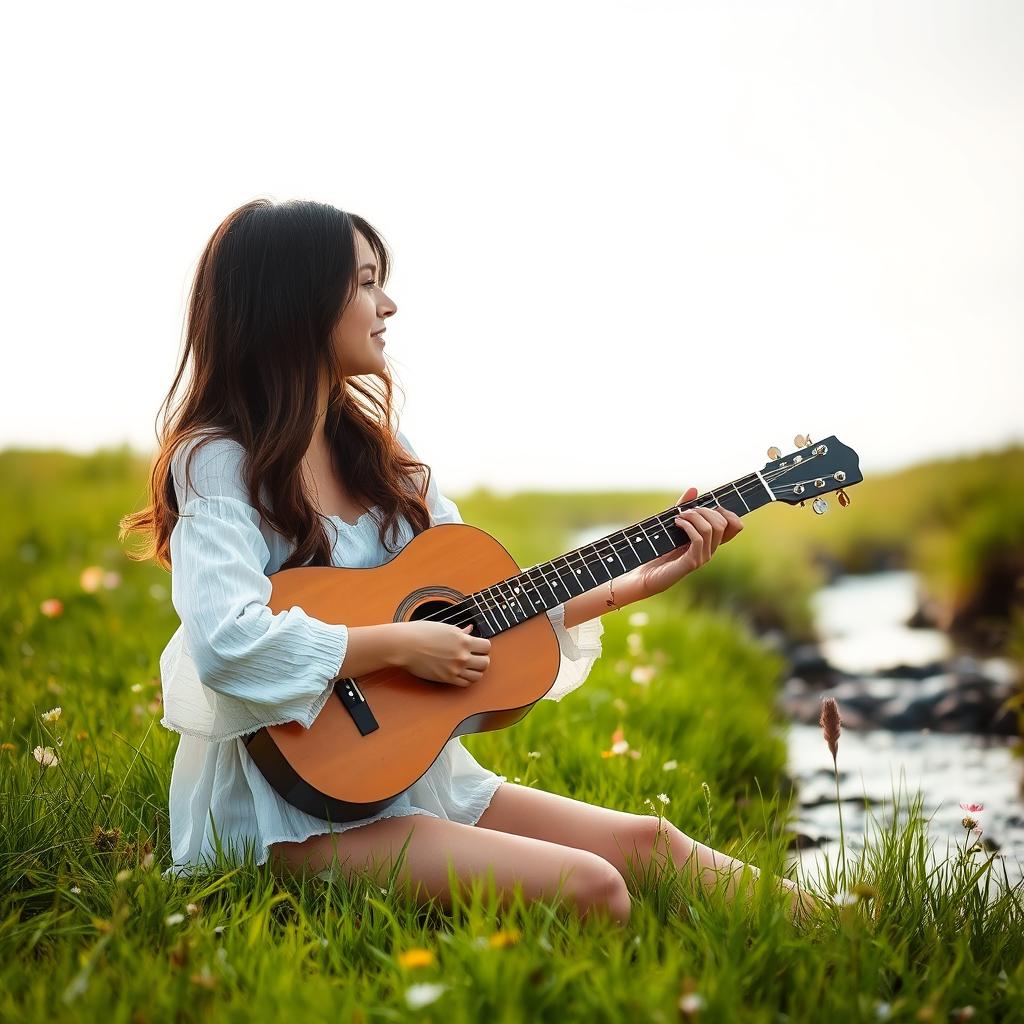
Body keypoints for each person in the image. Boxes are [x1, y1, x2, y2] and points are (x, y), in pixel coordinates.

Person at [121, 198, 815, 927]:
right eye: (363, 283)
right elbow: (226, 643)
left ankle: (864, 940)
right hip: (280, 815)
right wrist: (400, 644)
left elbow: (483, 608)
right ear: (295, 301)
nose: (386, 304)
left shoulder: (382, 457)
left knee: (650, 843)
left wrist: (639, 581)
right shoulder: (217, 460)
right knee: (592, 886)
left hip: (405, 776)